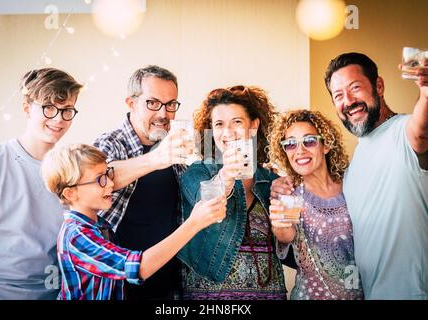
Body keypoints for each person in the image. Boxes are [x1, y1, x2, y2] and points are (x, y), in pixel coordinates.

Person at [272, 52, 428, 300]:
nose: (348, 101)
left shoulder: (403, 131)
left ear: (379, 86)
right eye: (338, 96)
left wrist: (426, 92)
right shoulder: (353, 167)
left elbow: (421, 132)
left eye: (355, 88)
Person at [40, 144, 225, 300]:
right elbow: (138, 268)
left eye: (108, 173)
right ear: (70, 193)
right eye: (100, 180)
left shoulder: (100, 226)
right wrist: (194, 223)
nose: (111, 184)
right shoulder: (76, 236)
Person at [0, 68, 83, 299]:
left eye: (67, 110)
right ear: (27, 108)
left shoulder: (73, 169)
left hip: (59, 293)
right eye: (49, 108)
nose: (58, 119)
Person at [178, 85, 288, 300]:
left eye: (237, 122)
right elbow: (206, 203)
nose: (227, 132)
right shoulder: (196, 173)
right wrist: (227, 174)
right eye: (219, 124)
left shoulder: (271, 181)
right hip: (210, 298)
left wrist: (290, 188)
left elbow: (289, 243)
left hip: (270, 294)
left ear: (254, 126)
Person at [93, 65, 193, 300]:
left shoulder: (175, 151)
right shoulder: (111, 142)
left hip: (168, 288)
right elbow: (100, 178)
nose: (163, 113)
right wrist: (156, 159)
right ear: (131, 103)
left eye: (171, 105)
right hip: (118, 287)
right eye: (153, 103)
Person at [268, 109, 363, 300]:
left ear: (326, 145)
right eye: (291, 144)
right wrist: (280, 227)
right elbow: (286, 236)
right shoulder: (288, 194)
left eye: (309, 141)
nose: (300, 151)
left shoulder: (353, 185)